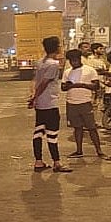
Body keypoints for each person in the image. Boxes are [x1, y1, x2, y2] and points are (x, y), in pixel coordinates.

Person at [28, 36, 71, 173]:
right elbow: (44, 83)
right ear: (57, 47)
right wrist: (35, 96)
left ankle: (38, 161)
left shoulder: (40, 62)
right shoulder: (53, 64)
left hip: (41, 105)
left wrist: (33, 97)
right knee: (52, 134)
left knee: (38, 132)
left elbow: (35, 80)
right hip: (50, 104)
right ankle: (57, 162)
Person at [61, 48, 107, 160]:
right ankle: (79, 150)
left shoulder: (89, 70)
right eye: (71, 60)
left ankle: (99, 150)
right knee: (77, 128)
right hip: (71, 103)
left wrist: (81, 85)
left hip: (85, 102)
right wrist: (70, 85)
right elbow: (63, 87)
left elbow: (96, 86)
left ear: (79, 58)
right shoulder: (67, 72)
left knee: (92, 128)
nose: (73, 62)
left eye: (75, 60)